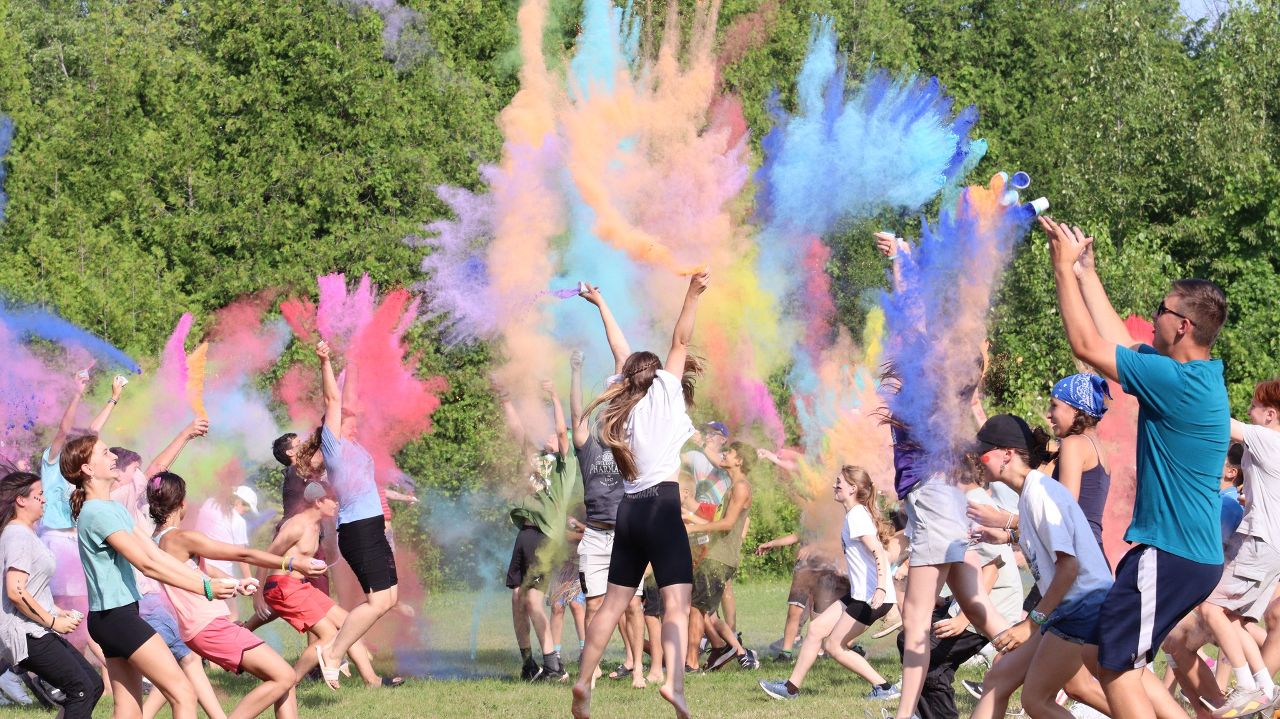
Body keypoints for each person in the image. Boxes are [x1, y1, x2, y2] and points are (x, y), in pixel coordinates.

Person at [1043, 217, 1229, 719]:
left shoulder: (1176, 382)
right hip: (1179, 553)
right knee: (1110, 656)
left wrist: (1060, 267)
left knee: (1115, 667)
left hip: (1171, 552)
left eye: (1161, 310)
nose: (1154, 316)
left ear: (1182, 325)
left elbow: (1087, 347)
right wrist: (1085, 273)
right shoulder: (1192, 376)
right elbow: (1119, 344)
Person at [571, 271, 709, 719]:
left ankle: (583, 681)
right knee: (676, 604)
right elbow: (681, 339)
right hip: (663, 507)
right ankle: (673, 684)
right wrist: (692, 293)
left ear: (629, 377)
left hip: (628, 511)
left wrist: (600, 303)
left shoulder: (623, 404)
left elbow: (618, 347)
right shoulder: (667, 393)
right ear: (659, 374)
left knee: (611, 605)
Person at [60, 434, 237, 719]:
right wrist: (204, 587)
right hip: (117, 618)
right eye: (105, 453)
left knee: (129, 709)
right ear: (88, 469)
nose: (114, 457)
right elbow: (146, 565)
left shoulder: (111, 508)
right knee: (183, 693)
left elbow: (155, 555)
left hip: (114, 617)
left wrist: (206, 582)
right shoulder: (97, 513)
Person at [970, 414, 1115, 719]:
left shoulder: (1040, 493)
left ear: (1007, 454)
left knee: (1036, 700)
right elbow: (1048, 542)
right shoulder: (1029, 493)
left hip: (1082, 605)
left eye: (983, 452)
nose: (977, 459)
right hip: (1066, 606)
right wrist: (1007, 536)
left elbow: (1069, 568)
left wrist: (1031, 624)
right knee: (998, 678)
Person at [148, 471, 326, 718]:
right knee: (285, 676)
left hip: (199, 627)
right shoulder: (182, 538)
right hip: (208, 627)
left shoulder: (156, 540)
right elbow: (243, 554)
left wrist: (236, 583)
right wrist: (292, 563)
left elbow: (197, 571)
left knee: (283, 679)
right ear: (182, 502)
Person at [292, 343, 399, 689]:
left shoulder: (350, 445)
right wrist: (325, 361)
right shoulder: (333, 446)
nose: (353, 424)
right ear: (331, 427)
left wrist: (353, 363)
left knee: (390, 599)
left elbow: (348, 398)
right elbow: (334, 399)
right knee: (378, 601)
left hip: (371, 527)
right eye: (345, 421)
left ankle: (336, 651)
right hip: (358, 529)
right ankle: (333, 653)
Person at [109, 421, 229, 719]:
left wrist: (186, 435)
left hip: (138, 601)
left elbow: (157, 470)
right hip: (145, 599)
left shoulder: (118, 505)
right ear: (118, 474)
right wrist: (186, 434)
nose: (141, 475)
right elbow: (158, 469)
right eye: (134, 469)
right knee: (186, 663)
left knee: (173, 669)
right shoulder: (121, 499)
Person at [759, 465, 898, 701]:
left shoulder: (857, 516)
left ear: (852, 488)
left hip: (870, 598)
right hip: (860, 594)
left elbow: (878, 552)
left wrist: (881, 588)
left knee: (834, 646)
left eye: (839, 482)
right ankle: (790, 689)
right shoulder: (854, 514)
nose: (835, 486)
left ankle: (884, 688)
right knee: (815, 629)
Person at [901, 457, 1025, 719]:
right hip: (974, 608)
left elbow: (991, 567)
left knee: (927, 651)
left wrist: (961, 618)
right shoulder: (955, 499)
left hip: (996, 603)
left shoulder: (970, 501)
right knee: (923, 649)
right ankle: (1050, 663)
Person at [568, 302, 646, 688]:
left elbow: (624, 367)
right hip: (596, 534)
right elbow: (577, 417)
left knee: (633, 605)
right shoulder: (587, 446)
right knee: (595, 604)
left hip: (627, 534)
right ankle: (593, 666)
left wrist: (601, 305)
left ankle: (639, 668)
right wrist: (576, 371)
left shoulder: (626, 439)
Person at [260, 482, 400, 687]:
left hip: (299, 586)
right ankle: (288, 683)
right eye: (333, 499)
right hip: (282, 587)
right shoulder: (297, 526)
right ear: (318, 501)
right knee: (330, 636)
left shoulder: (317, 525)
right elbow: (264, 557)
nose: (337, 503)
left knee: (349, 623)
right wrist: (257, 597)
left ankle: (372, 681)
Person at [1196, 378, 1280, 717]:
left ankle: (1246, 686)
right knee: (1233, 619)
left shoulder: (1266, 437)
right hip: (1271, 546)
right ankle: (1265, 688)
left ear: (1271, 414)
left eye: (1255, 407)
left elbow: (1220, 422)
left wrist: (1188, 387)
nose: (1249, 410)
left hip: (1259, 542)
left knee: (1210, 608)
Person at [0, 470, 103, 719]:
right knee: (80, 690)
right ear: (21, 500)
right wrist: (53, 621)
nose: (45, 499)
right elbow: (15, 591)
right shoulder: (16, 535)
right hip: (26, 633)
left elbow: (32, 587)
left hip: (37, 628)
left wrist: (57, 610)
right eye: (40, 494)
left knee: (92, 685)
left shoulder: (27, 534)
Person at [40, 371, 124, 667]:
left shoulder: (80, 466)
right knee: (65, 610)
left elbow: (94, 431)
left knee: (78, 611)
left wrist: (113, 398)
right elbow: (64, 429)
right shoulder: (53, 460)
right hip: (55, 540)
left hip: (74, 540)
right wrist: (77, 392)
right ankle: (54, 669)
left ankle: (79, 670)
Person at [499, 378, 576, 682]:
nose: (550, 435)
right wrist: (506, 400)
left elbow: (562, 433)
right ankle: (528, 663)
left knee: (533, 601)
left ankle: (554, 666)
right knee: (517, 598)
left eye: (555, 434)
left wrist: (555, 395)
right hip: (526, 533)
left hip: (545, 537)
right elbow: (518, 433)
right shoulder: (536, 458)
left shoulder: (565, 463)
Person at [686, 442, 759, 671]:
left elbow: (727, 524)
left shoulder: (741, 487)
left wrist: (694, 528)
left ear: (739, 461)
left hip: (720, 558)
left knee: (696, 608)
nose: (724, 454)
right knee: (706, 611)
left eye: (730, 452)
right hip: (716, 555)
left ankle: (692, 663)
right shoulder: (733, 486)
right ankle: (726, 649)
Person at [196, 485, 257, 619]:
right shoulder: (238, 521)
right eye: (247, 508)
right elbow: (242, 555)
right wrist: (249, 581)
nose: (246, 512)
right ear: (238, 501)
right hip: (221, 574)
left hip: (198, 566)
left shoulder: (210, 503)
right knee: (232, 615)